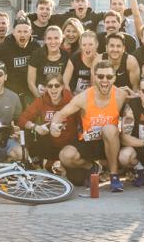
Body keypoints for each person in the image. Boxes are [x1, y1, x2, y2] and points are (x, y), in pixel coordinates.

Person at [51, 60, 134, 192]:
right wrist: (54, 126)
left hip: (111, 141)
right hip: (88, 141)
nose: (104, 80)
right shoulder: (84, 97)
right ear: (94, 77)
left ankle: (114, 175)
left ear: (114, 78)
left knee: (109, 129)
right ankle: (93, 167)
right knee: (65, 156)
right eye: (100, 76)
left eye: (109, 77)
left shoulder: (120, 95)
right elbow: (61, 114)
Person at [18, 73, 76, 167]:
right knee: (30, 133)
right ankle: (44, 163)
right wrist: (35, 127)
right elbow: (22, 119)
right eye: (50, 86)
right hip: (50, 143)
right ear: (46, 88)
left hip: (69, 144)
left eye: (57, 85)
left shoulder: (71, 100)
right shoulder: (41, 101)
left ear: (62, 87)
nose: (53, 88)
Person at [0, 17, 41, 99]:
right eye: (19, 31)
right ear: (13, 32)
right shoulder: (4, 46)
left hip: (30, 89)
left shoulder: (36, 46)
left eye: (25, 31)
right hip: (11, 90)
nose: (22, 35)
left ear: (31, 32)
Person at [28, 26, 71, 99]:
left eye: (56, 38)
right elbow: (31, 83)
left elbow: (67, 83)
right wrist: (41, 101)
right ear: (44, 40)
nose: (53, 42)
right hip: (39, 95)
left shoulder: (66, 56)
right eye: (49, 38)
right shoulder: (36, 55)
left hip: (59, 95)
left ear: (62, 39)